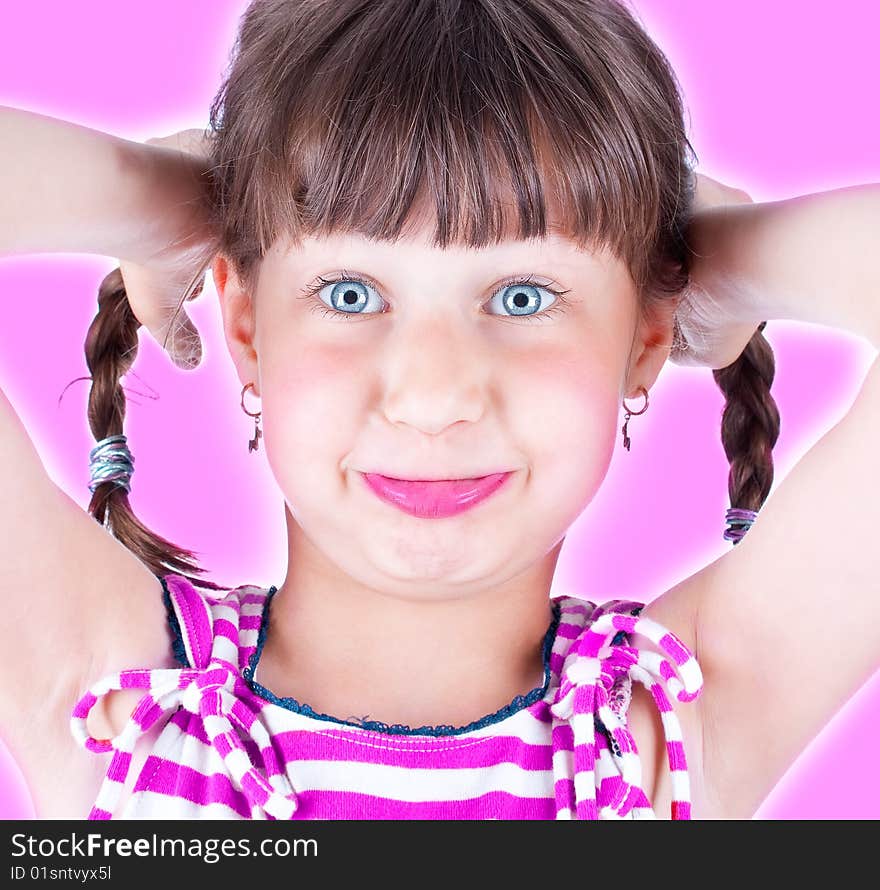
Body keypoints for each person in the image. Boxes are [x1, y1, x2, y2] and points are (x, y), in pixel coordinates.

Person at [1, 0, 878, 820]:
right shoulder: (117, 700)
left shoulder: (676, 718)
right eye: (349, 293)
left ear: (643, 339)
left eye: (524, 297)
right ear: (247, 327)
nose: (433, 399)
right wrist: (158, 203)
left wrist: (719, 266)